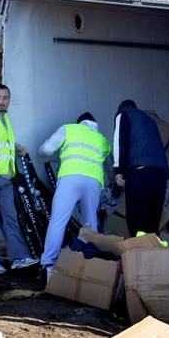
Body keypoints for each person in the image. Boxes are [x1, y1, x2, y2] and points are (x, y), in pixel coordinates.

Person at [39, 112, 111, 277]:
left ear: (80, 123)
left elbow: (46, 150)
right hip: (93, 182)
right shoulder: (103, 140)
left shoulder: (69, 129)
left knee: (58, 220)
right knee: (90, 223)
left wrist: (43, 152)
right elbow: (110, 168)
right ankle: (90, 261)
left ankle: (49, 263)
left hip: (70, 179)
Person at [0, 83, 38, 274]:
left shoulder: (5, 118)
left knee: (10, 218)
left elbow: (3, 143)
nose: (2, 102)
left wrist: (17, 145)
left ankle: (19, 257)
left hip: (6, 177)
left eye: (5, 98)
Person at [112, 99, 169, 236]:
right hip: (161, 176)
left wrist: (119, 171)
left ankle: (138, 255)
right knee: (152, 225)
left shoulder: (123, 114)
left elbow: (119, 142)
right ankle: (154, 256)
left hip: (141, 174)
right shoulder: (149, 120)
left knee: (136, 222)